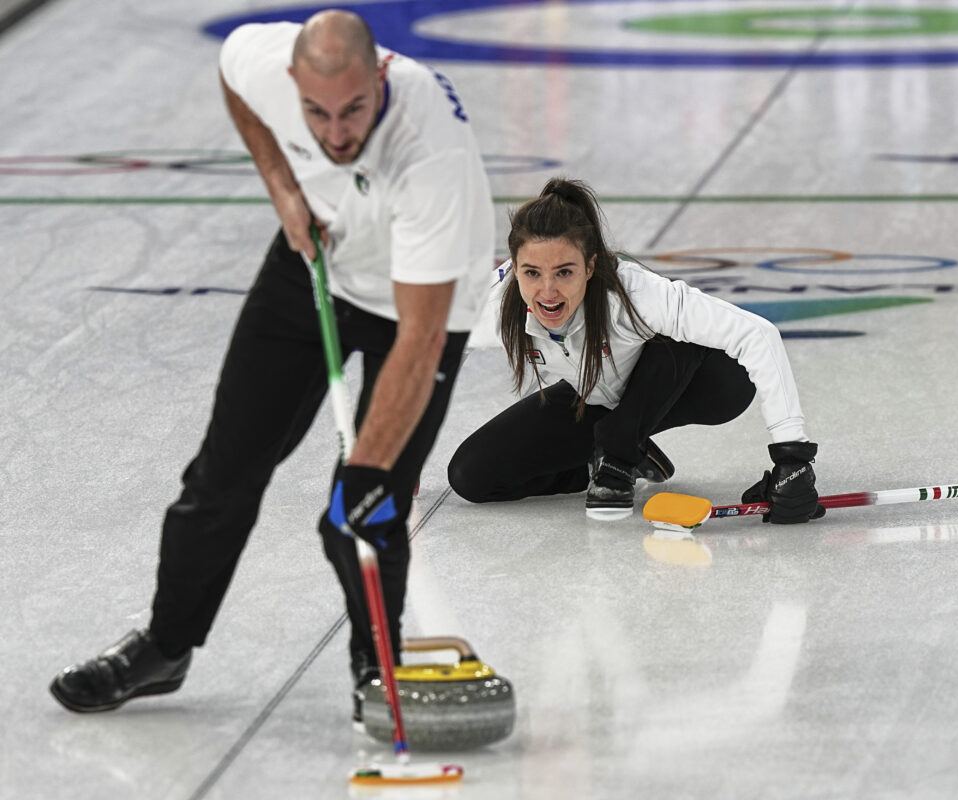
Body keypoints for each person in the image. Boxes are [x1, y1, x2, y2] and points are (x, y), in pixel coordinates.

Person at [49, 10, 495, 719]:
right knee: (223, 471)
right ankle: (166, 647)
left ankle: (374, 674)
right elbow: (232, 77)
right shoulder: (264, 64)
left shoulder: (427, 150)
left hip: (419, 307)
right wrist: (285, 190)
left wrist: (364, 475)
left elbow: (420, 333)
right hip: (314, 263)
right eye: (318, 112)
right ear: (293, 84)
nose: (338, 132)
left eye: (354, 110)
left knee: (364, 507)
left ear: (380, 75)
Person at [447, 178, 824, 522]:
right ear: (513, 267)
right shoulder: (493, 307)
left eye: (564, 272)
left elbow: (757, 334)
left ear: (590, 266)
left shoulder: (631, 294)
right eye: (532, 273)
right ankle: (605, 459)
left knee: (677, 336)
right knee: (471, 477)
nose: (547, 291)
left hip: (703, 386)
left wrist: (792, 458)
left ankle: (619, 453)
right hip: (599, 399)